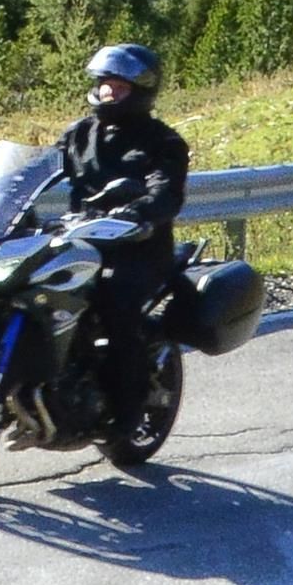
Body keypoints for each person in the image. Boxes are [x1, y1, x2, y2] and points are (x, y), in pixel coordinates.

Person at [56, 40, 187, 417]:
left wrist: (137, 211)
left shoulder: (163, 141)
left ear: (141, 91)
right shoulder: (79, 133)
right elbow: (39, 169)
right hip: (80, 241)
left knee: (116, 303)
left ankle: (126, 409)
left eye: (119, 87)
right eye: (105, 85)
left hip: (139, 249)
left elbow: (166, 191)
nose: (109, 93)